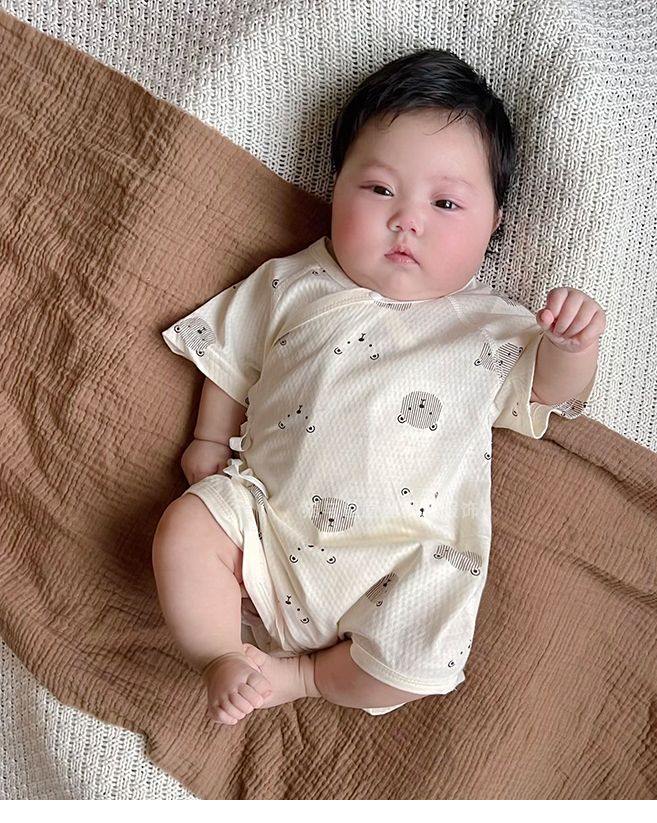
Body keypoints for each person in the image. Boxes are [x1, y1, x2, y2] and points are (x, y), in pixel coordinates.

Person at [153, 49, 606, 724]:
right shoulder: (292, 283)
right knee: (187, 528)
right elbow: (230, 357)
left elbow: (547, 389)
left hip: (401, 563)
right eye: (379, 190)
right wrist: (209, 440)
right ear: (336, 185)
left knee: (425, 653)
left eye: (445, 202)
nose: (407, 220)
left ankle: (303, 675)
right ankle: (222, 653)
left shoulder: (490, 328)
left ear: (493, 224)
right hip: (267, 528)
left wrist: (573, 345)